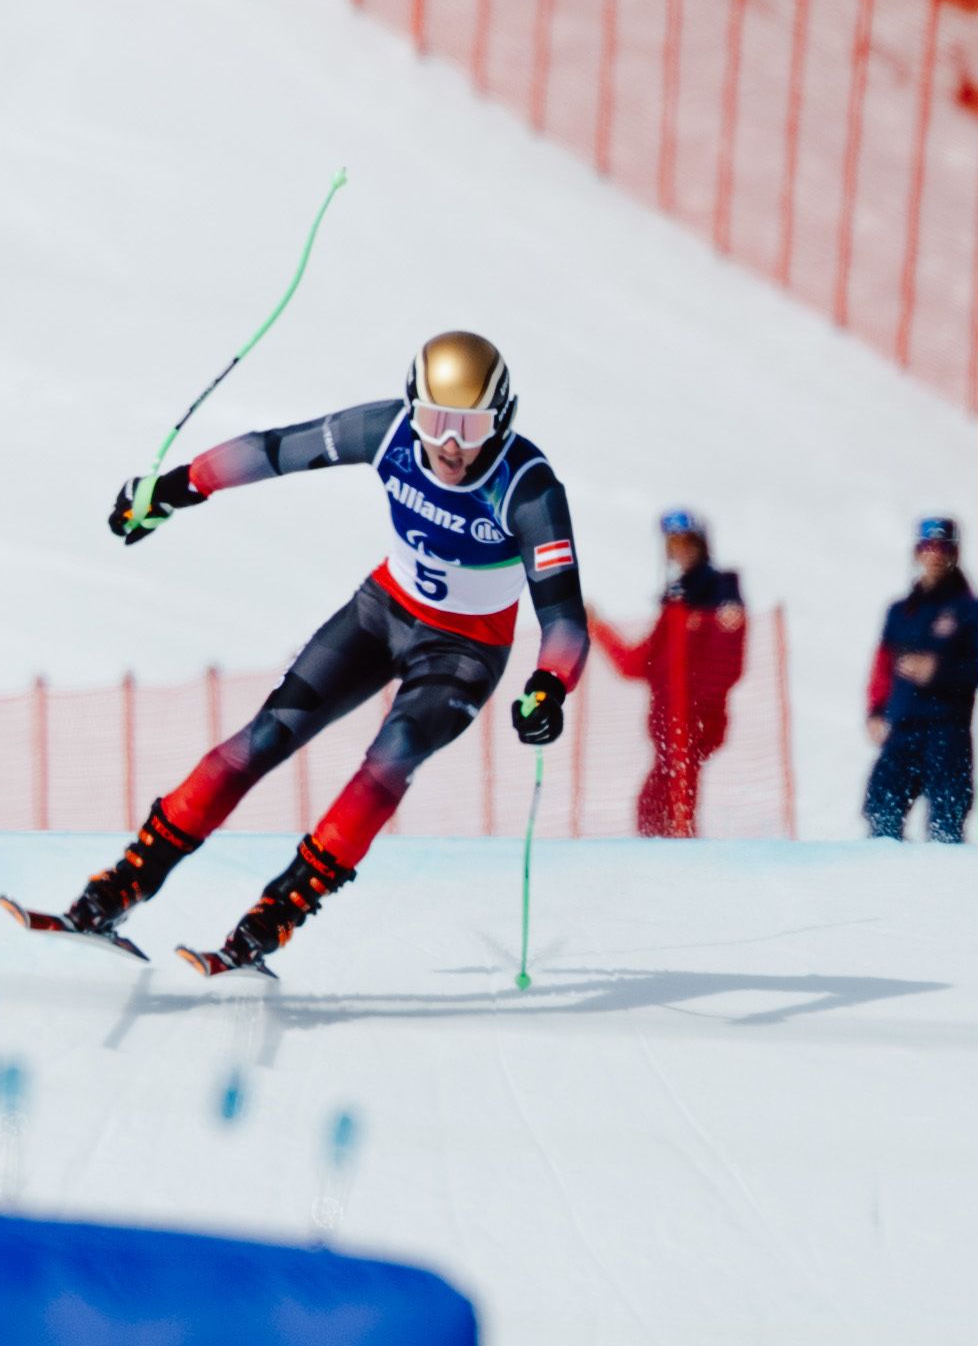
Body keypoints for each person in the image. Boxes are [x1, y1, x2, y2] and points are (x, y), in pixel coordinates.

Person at [72, 331, 589, 975]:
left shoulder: (529, 489)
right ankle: (122, 886)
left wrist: (549, 684)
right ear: (413, 407)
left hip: (463, 652)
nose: (450, 443)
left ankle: (275, 917)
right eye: (435, 420)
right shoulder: (389, 431)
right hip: (380, 613)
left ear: (503, 418)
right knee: (267, 733)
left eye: (471, 425)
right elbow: (274, 451)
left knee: (392, 755)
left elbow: (564, 619)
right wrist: (177, 488)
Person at [589, 509, 746, 837]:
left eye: (686, 541)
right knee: (655, 805)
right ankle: (671, 865)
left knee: (672, 806)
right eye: (671, 543)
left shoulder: (719, 592)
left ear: (702, 544)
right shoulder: (674, 606)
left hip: (691, 726)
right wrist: (597, 626)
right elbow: (635, 664)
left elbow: (729, 664)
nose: (678, 550)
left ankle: (682, 868)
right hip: (669, 730)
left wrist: (693, 712)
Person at [864, 516, 978, 844]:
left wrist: (938, 670)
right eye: (927, 547)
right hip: (902, 729)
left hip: (948, 732)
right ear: (917, 552)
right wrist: (876, 711)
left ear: (954, 554)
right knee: (881, 811)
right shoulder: (901, 610)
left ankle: (944, 890)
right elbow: (882, 667)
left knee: (946, 823)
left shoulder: (971, 610)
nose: (934, 555)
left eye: (941, 548)